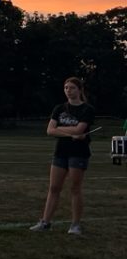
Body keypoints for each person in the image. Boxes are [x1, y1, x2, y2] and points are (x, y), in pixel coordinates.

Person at [30, 77, 96, 235]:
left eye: (72, 87)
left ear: (79, 90)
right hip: (60, 152)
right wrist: (69, 132)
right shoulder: (59, 108)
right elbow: (49, 130)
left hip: (78, 153)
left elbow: (80, 130)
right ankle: (45, 222)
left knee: (75, 189)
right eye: (66, 87)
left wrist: (61, 129)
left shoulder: (87, 109)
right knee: (53, 188)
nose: (68, 90)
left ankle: (75, 225)